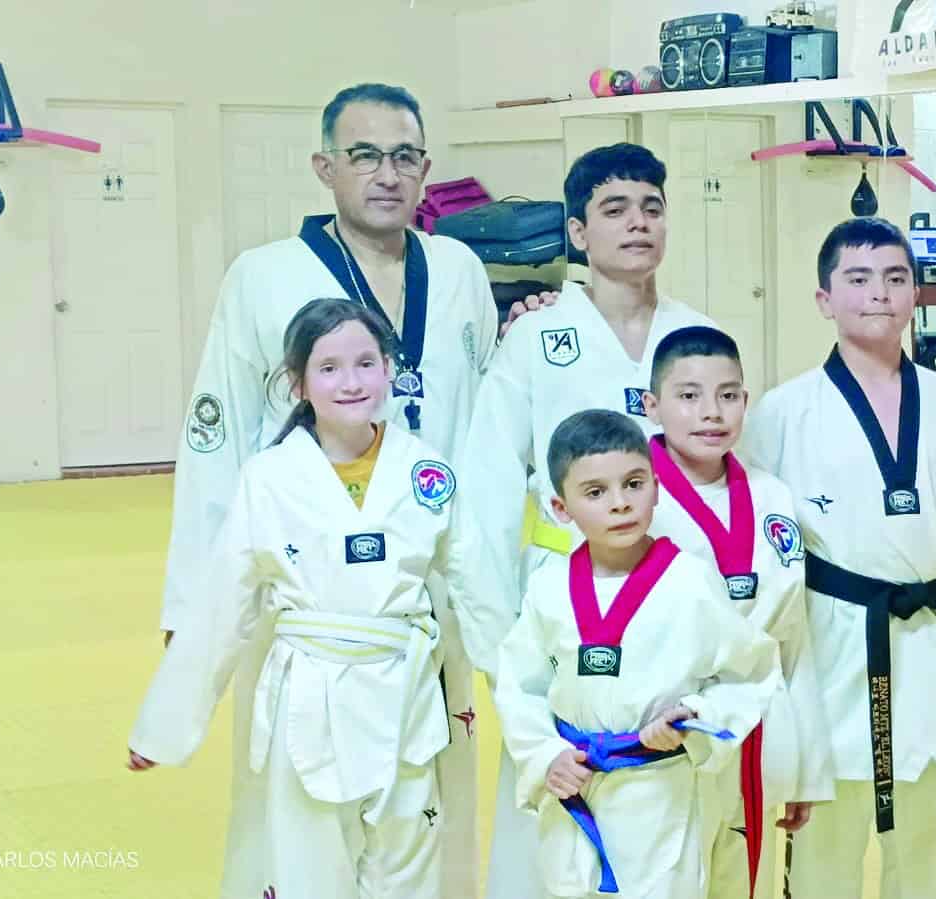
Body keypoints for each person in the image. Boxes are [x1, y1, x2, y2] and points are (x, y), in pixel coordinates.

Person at [158, 82, 516, 899]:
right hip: (302, 585)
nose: (386, 174)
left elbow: (486, 421)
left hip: (427, 578)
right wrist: (191, 602)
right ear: (325, 168)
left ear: (425, 167)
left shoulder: (459, 269)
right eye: (364, 156)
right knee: (293, 785)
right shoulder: (261, 276)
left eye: (404, 156)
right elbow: (215, 438)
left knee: (433, 780)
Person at [129, 299, 511, 899]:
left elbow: (478, 586)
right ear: (298, 383)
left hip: (406, 699)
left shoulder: (426, 471)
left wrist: (523, 699)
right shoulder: (269, 477)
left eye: (365, 363)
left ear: (390, 369)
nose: (351, 382)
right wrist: (165, 726)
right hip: (309, 699)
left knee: (408, 869)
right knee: (310, 872)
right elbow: (224, 603)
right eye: (328, 368)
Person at [459, 142, 716, 899]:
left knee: (670, 795)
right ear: (577, 232)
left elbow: (730, 486)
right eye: (614, 209)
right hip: (566, 605)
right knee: (555, 798)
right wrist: (498, 645)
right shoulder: (536, 337)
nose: (637, 223)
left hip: (671, 602)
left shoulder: (697, 338)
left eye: (651, 208)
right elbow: (485, 495)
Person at [740, 217, 936, 899]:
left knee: (931, 844)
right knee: (825, 846)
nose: (878, 292)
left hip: (929, 638)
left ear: (915, 294)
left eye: (894, 277)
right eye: (857, 278)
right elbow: (764, 544)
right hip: (832, 646)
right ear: (824, 299)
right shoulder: (783, 411)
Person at [491, 409, 781, 899]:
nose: (621, 503)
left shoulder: (690, 582)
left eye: (633, 484)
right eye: (596, 492)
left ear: (656, 487)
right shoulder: (548, 586)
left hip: (659, 791)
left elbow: (749, 672)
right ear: (561, 508)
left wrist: (692, 717)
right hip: (575, 785)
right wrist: (545, 756)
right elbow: (521, 688)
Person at [641, 326, 831, 899]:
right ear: (652, 405)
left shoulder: (773, 496)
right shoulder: (634, 496)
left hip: (755, 728)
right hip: (665, 729)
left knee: (744, 880)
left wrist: (803, 765)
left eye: (728, 395)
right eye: (689, 395)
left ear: (746, 400)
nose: (711, 412)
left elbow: (794, 638)